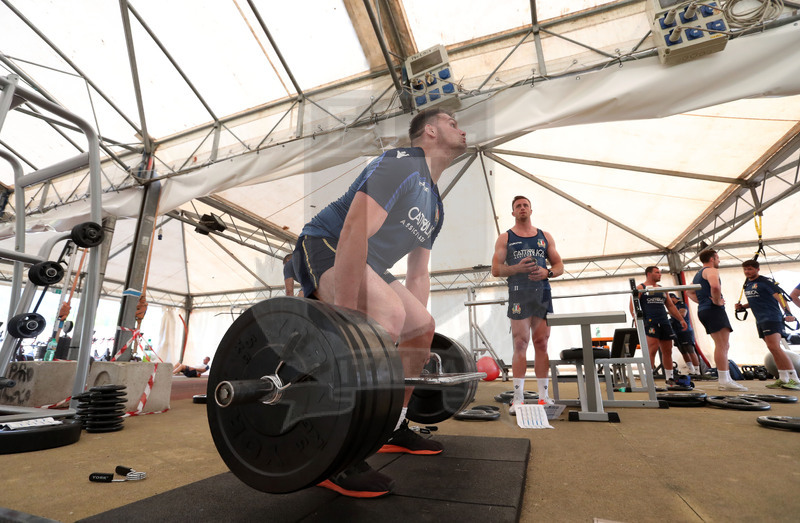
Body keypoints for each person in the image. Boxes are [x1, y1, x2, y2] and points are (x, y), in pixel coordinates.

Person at [292, 107, 466, 498]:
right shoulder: (402, 162)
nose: (462, 129)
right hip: (327, 243)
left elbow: (418, 276)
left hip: (368, 261)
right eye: (453, 123)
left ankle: (392, 427)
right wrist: (350, 324)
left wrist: (412, 338)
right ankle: (333, 450)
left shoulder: (435, 206)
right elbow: (354, 229)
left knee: (421, 325)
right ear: (431, 132)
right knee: (383, 319)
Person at [491, 195, 564, 414]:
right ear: (513, 213)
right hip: (518, 294)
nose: (522, 208)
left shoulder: (544, 236)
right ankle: (518, 398)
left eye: (525, 205)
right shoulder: (505, 237)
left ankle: (543, 397)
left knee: (541, 343)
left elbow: (560, 265)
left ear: (531, 210)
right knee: (520, 343)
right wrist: (516, 269)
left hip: (542, 293)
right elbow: (496, 269)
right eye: (517, 206)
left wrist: (547, 272)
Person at [685, 249, 746, 391]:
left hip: (705, 310)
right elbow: (715, 286)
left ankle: (727, 378)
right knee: (722, 345)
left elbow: (689, 291)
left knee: (724, 345)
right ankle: (724, 381)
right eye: (718, 258)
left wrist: (701, 301)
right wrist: (717, 301)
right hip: (713, 310)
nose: (719, 261)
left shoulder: (699, 274)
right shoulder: (711, 270)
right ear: (712, 259)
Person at [734, 260, 800, 390]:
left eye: (750, 269)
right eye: (745, 269)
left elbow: (780, 297)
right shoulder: (748, 284)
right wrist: (743, 307)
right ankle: (783, 378)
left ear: (757, 269)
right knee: (772, 348)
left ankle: (794, 379)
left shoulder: (766, 282)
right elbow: (757, 300)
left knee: (775, 347)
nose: (747, 272)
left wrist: (788, 313)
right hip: (760, 320)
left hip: (772, 319)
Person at [629, 267, 687, 386]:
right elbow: (633, 305)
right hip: (650, 322)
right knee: (652, 350)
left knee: (667, 350)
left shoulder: (662, 289)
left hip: (664, 322)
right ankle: (650, 379)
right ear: (649, 274)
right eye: (657, 272)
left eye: (660, 272)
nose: (660, 274)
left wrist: (681, 319)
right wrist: (636, 319)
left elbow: (670, 306)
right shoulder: (641, 288)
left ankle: (669, 378)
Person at [668, 292, 701, 376]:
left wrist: (671, 312)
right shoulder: (671, 307)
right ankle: (691, 370)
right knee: (683, 351)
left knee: (690, 350)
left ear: (673, 298)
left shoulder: (681, 304)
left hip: (685, 331)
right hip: (676, 331)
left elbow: (682, 314)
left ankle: (697, 371)